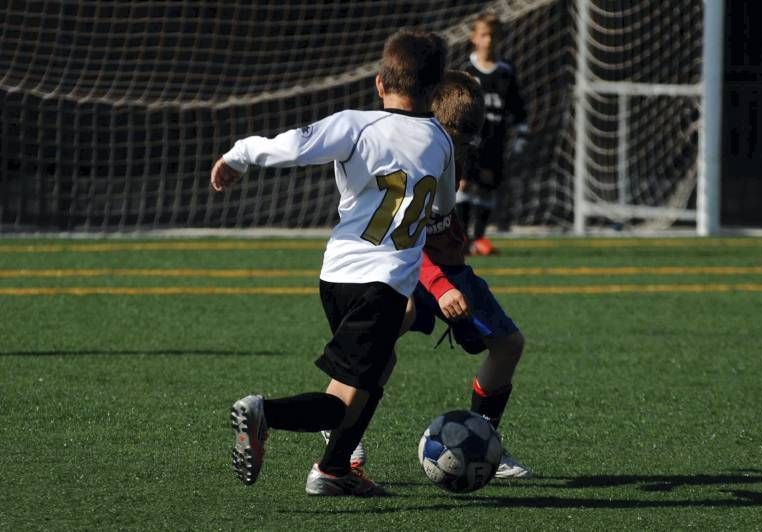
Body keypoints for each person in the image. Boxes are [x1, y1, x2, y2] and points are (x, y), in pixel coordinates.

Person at [211, 29, 454, 496]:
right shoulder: (441, 141)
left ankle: (336, 470)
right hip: (381, 285)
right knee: (342, 403)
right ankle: (265, 413)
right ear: (435, 92)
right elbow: (442, 206)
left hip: (335, 275)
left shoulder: (355, 124)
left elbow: (293, 147)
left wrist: (239, 154)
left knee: (377, 369)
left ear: (381, 82)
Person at [331, 71, 531, 479]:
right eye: (456, 141)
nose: (458, 151)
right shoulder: (412, 152)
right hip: (409, 266)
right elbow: (404, 237)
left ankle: (485, 435)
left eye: (465, 143)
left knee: (508, 344)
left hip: (451, 269)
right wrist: (438, 287)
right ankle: (337, 418)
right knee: (390, 325)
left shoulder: (456, 151)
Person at [460, 11, 528, 255]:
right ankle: (462, 239)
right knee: (463, 184)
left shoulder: (505, 72)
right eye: (484, 35)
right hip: (468, 142)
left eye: (492, 35)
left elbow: (517, 105)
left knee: (487, 186)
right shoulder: (467, 71)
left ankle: (479, 237)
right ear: (474, 38)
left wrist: (521, 132)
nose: (488, 40)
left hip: (494, 141)